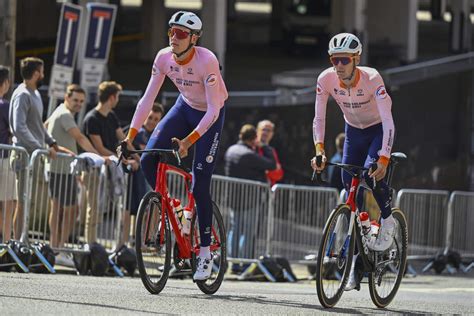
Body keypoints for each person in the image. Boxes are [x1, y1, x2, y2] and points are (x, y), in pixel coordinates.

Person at [120, 11, 228, 281]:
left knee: (200, 183)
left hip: (209, 117)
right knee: (147, 159)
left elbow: (214, 110)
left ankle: (204, 252)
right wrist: (130, 137)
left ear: (194, 38)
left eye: (180, 33)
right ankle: (173, 209)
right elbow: (147, 99)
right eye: (171, 31)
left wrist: (189, 141)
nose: (173, 37)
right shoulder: (163, 57)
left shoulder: (207, 61)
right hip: (183, 108)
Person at [310, 33, 396, 290]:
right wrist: (320, 150)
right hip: (353, 133)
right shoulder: (325, 79)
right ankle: (356, 259)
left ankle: (388, 219)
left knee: (372, 174)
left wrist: (383, 157)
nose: (339, 66)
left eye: (344, 60)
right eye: (334, 60)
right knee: (349, 187)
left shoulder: (372, 78)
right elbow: (319, 119)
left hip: (377, 130)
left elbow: (388, 120)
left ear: (356, 59)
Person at [44, 84, 103, 249]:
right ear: (67, 98)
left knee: (58, 209)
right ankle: (59, 247)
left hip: (59, 168)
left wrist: (52, 146)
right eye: (75, 100)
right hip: (61, 169)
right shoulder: (65, 115)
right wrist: (99, 156)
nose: (78, 103)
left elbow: (43, 128)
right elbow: (80, 138)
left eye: (81, 101)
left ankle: (55, 246)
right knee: (70, 211)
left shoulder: (59, 111)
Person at [82, 81, 138, 247]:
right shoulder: (91, 118)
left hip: (111, 169)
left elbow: (122, 140)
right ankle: (90, 246)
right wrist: (124, 160)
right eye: (117, 97)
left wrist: (138, 156)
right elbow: (99, 148)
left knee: (117, 208)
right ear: (112, 97)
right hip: (95, 169)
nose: (117, 100)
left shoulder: (112, 116)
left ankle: (116, 247)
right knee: (94, 210)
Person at [9, 57, 58, 240]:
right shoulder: (22, 94)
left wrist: (51, 141)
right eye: (42, 71)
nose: (43, 75)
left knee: (27, 201)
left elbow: (38, 126)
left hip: (34, 155)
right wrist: (40, 148)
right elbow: (18, 127)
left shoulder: (35, 94)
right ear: (36, 73)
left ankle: (23, 240)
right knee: (22, 202)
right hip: (23, 156)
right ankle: (17, 242)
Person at [224, 124, 276, 273]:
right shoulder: (249, 154)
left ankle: (232, 262)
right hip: (250, 199)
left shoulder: (231, 150)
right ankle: (245, 263)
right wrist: (265, 147)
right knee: (248, 231)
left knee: (234, 229)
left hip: (233, 197)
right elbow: (271, 165)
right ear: (254, 139)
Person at [0, 66, 16, 243]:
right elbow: (14, 130)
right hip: (4, 158)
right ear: (4, 83)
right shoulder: (5, 106)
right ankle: (6, 242)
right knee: (8, 203)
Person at [256, 119, 284, 186]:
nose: (265, 133)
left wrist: (267, 170)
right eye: (263, 129)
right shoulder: (252, 147)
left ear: (272, 134)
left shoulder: (271, 150)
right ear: (257, 131)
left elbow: (279, 175)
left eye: (268, 130)